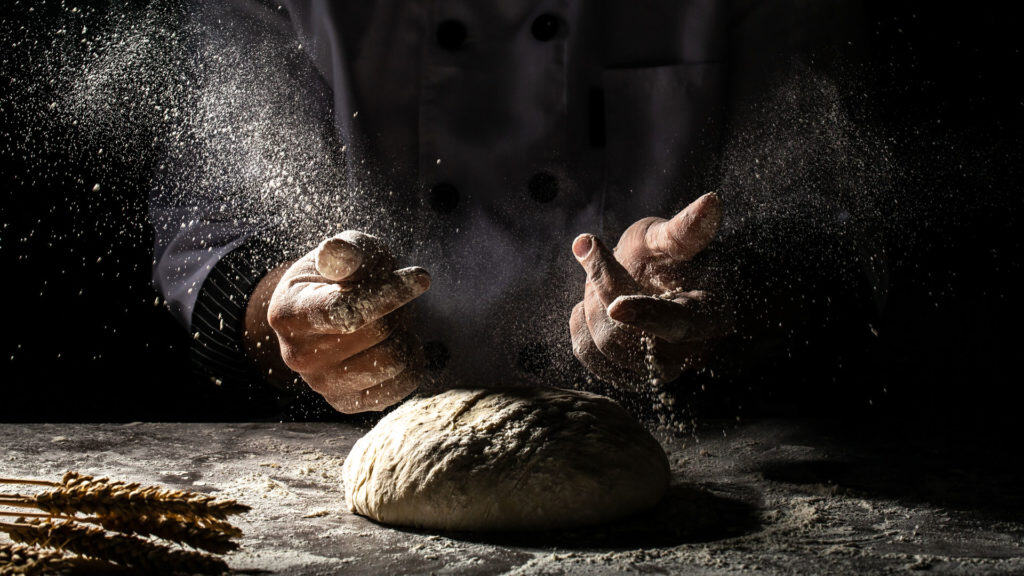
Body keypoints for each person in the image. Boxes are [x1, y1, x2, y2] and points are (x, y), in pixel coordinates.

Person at [152, 0, 878, 417]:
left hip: (711, 448)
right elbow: (210, 234)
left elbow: (823, 223)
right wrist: (294, 314)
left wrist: (718, 300)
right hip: (360, 445)